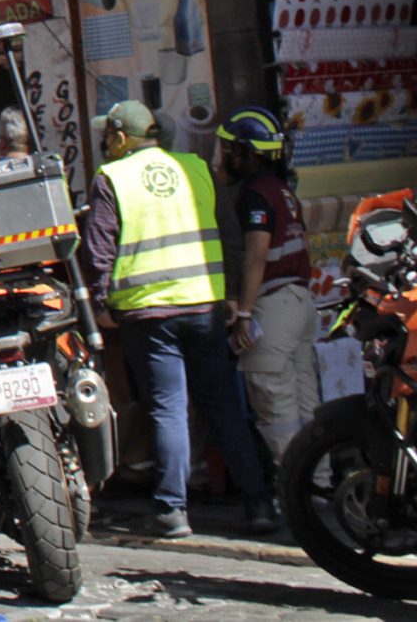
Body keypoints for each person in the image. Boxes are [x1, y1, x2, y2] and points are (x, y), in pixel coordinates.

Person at [83, 100, 277, 538]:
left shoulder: (112, 178)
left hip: (148, 312)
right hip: (204, 305)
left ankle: (172, 509)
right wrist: (229, 294)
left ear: (119, 137)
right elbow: (228, 233)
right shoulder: (196, 168)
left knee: (168, 406)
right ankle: (260, 503)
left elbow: (98, 249)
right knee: (221, 404)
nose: (104, 145)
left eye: (106, 137)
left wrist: (99, 305)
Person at [216, 106, 321, 465]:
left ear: (247, 152)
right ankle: (318, 486)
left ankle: (294, 491)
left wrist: (243, 313)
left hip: (273, 307)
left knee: (276, 407)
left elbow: (256, 256)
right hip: (301, 303)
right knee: (308, 405)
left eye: (230, 149)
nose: (225, 157)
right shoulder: (282, 190)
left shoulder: (256, 194)